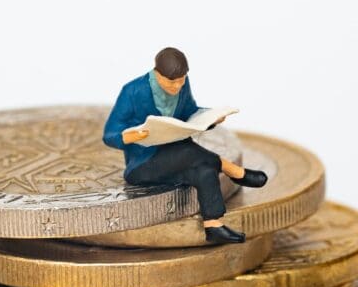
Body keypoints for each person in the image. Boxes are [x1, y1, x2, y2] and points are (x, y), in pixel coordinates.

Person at [102, 47, 268, 244]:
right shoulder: (133, 91)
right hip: (143, 164)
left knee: (205, 170)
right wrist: (131, 136)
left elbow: (190, 112)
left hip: (178, 157)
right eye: (172, 82)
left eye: (182, 80)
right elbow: (110, 133)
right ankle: (235, 172)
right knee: (187, 151)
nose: (178, 86)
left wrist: (211, 118)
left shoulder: (182, 84)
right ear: (157, 74)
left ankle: (213, 225)